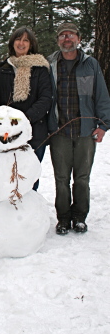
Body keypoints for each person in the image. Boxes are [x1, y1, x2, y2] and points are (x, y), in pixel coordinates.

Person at [48, 22, 110, 235]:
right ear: (58, 40)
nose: (67, 38)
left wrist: (103, 125)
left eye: (71, 35)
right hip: (59, 132)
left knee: (82, 179)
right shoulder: (51, 65)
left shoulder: (90, 64)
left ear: (79, 39)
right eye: (63, 35)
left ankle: (80, 217)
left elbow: (101, 96)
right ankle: (63, 219)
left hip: (85, 132)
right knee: (61, 179)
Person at [0, 26, 52, 191]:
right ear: (12, 42)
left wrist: (23, 120)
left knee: (29, 177)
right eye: (18, 39)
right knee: (9, 176)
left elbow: (45, 98)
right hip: (8, 133)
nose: (21, 43)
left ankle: (29, 213)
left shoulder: (40, 69)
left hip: (35, 132)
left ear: (31, 44)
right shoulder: (3, 69)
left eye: (25, 40)